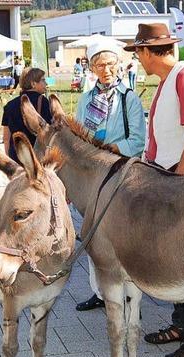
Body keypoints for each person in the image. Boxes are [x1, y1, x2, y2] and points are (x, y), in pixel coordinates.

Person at [125, 23, 184, 357]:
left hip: (181, 175)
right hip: (170, 174)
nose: (137, 58)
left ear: (149, 51)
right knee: (170, 253)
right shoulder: (170, 80)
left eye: (138, 51)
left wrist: (177, 182)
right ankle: (182, 324)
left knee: (179, 256)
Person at [74, 39, 146, 312]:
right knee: (92, 231)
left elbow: (138, 139)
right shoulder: (86, 99)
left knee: (120, 233)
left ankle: (127, 289)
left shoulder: (129, 98)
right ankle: (100, 290)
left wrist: (115, 147)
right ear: (91, 68)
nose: (105, 69)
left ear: (118, 65)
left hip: (120, 173)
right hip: (93, 175)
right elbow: (79, 133)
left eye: (109, 64)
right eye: (99, 65)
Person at [1, 68, 52, 163]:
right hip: (36, 157)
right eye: (43, 80)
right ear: (33, 84)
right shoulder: (44, 102)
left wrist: (8, 158)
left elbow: (6, 137)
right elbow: (50, 133)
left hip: (16, 155)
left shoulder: (9, 105)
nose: (46, 84)